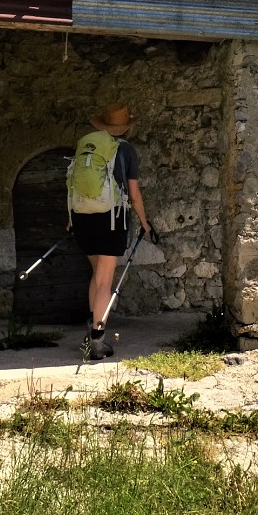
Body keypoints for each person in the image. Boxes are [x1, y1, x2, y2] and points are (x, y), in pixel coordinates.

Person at [67, 102, 158, 359]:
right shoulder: (126, 151)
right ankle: (97, 340)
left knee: (96, 275)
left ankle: (91, 328)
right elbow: (134, 193)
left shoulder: (89, 148)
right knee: (105, 280)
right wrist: (144, 221)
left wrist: (70, 218)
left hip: (82, 217)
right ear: (125, 126)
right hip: (111, 218)